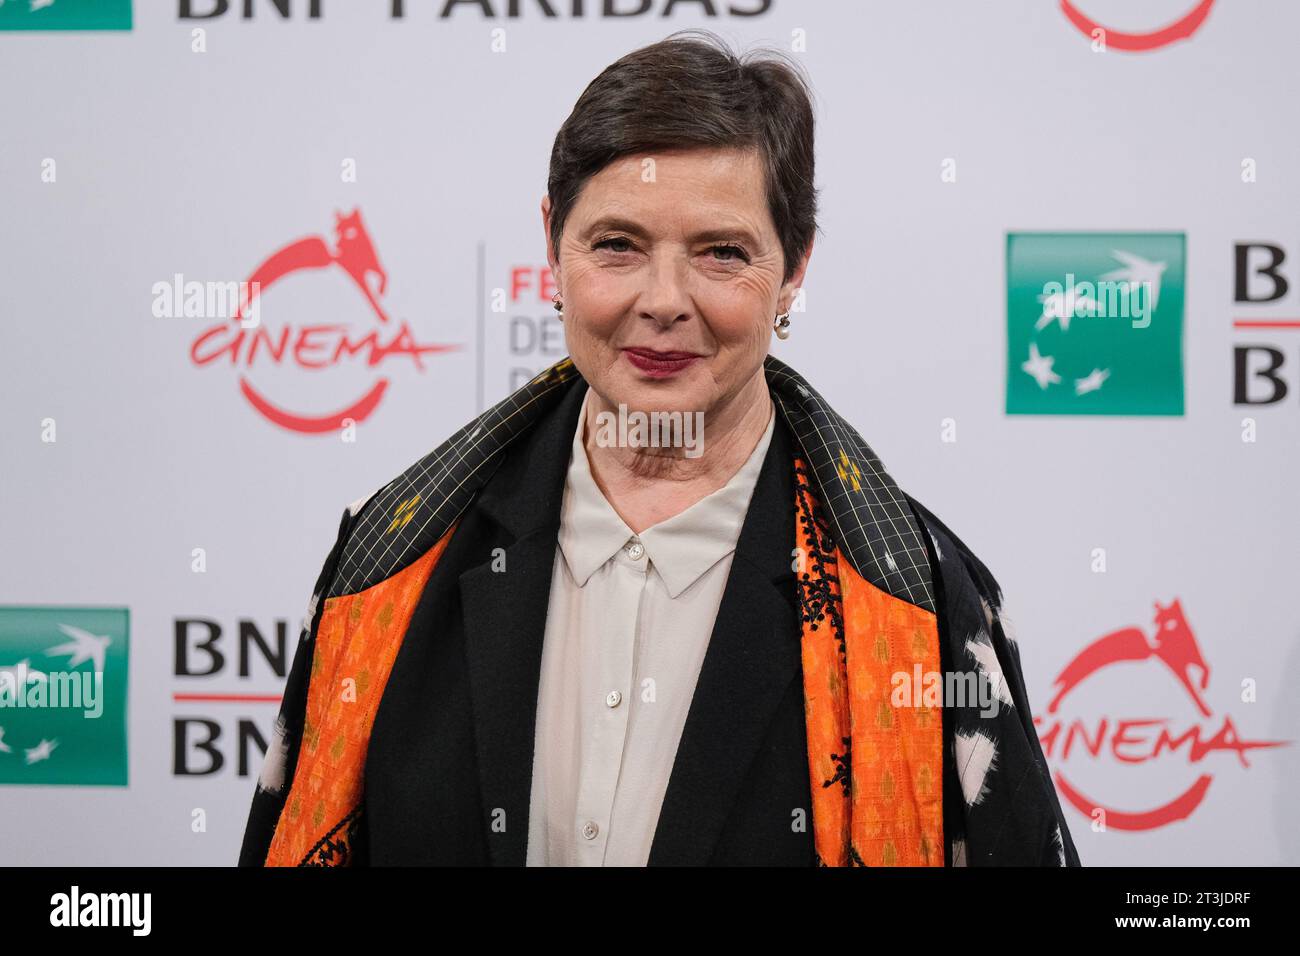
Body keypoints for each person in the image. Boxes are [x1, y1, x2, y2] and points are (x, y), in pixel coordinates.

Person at [238, 29, 1079, 867]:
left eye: (722, 253)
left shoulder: (919, 600)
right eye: (618, 245)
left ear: (794, 271)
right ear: (551, 247)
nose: (664, 301)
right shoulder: (390, 558)